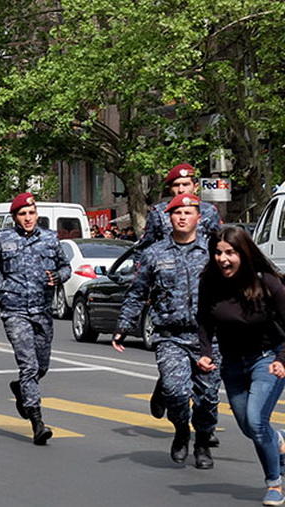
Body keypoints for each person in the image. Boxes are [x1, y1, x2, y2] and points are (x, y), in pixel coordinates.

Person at [114, 193, 221, 469]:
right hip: (170, 335)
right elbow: (137, 292)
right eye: (177, 213)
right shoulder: (154, 254)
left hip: (209, 338)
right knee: (174, 391)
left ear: (199, 217)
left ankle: (202, 443)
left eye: (189, 212)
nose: (182, 217)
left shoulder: (214, 251)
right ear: (169, 218)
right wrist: (124, 326)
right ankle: (182, 432)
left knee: (208, 398)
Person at [196, 226, 285, 505]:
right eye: (218, 253)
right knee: (249, 427)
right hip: (232, 365)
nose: (223, 259)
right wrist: (206, 352)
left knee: (257, 422)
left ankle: (275, 484)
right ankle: (278, 440)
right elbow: (204, 320)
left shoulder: (268, 282)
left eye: (231, 253)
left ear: (244, 254)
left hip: (268, 359)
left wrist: (282, 360)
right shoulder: (210, 282)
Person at [0, 192, 71, 445]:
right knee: (28, 365)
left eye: (31, 213)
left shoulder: (50, 238)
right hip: (14, 309)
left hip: (42, 310)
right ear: (15, 217)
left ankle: (20, 388)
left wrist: (58, 277)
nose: (28, 218)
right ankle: (37, 422)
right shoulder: (2, 239)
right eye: (22, 214)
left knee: (42, 366)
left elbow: (66, 267)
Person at [136, 163, 222, 423]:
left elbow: (221, 244)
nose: (181, 189)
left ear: (195, 186)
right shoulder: (160, 213)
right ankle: (168, 386)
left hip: (200, 287)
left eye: (186, 185)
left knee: (207, 384)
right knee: (174, 363)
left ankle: (204, 427)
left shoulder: (208, 212)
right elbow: (146, 246)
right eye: (176, 186)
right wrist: (146, 279)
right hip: (170, 287)